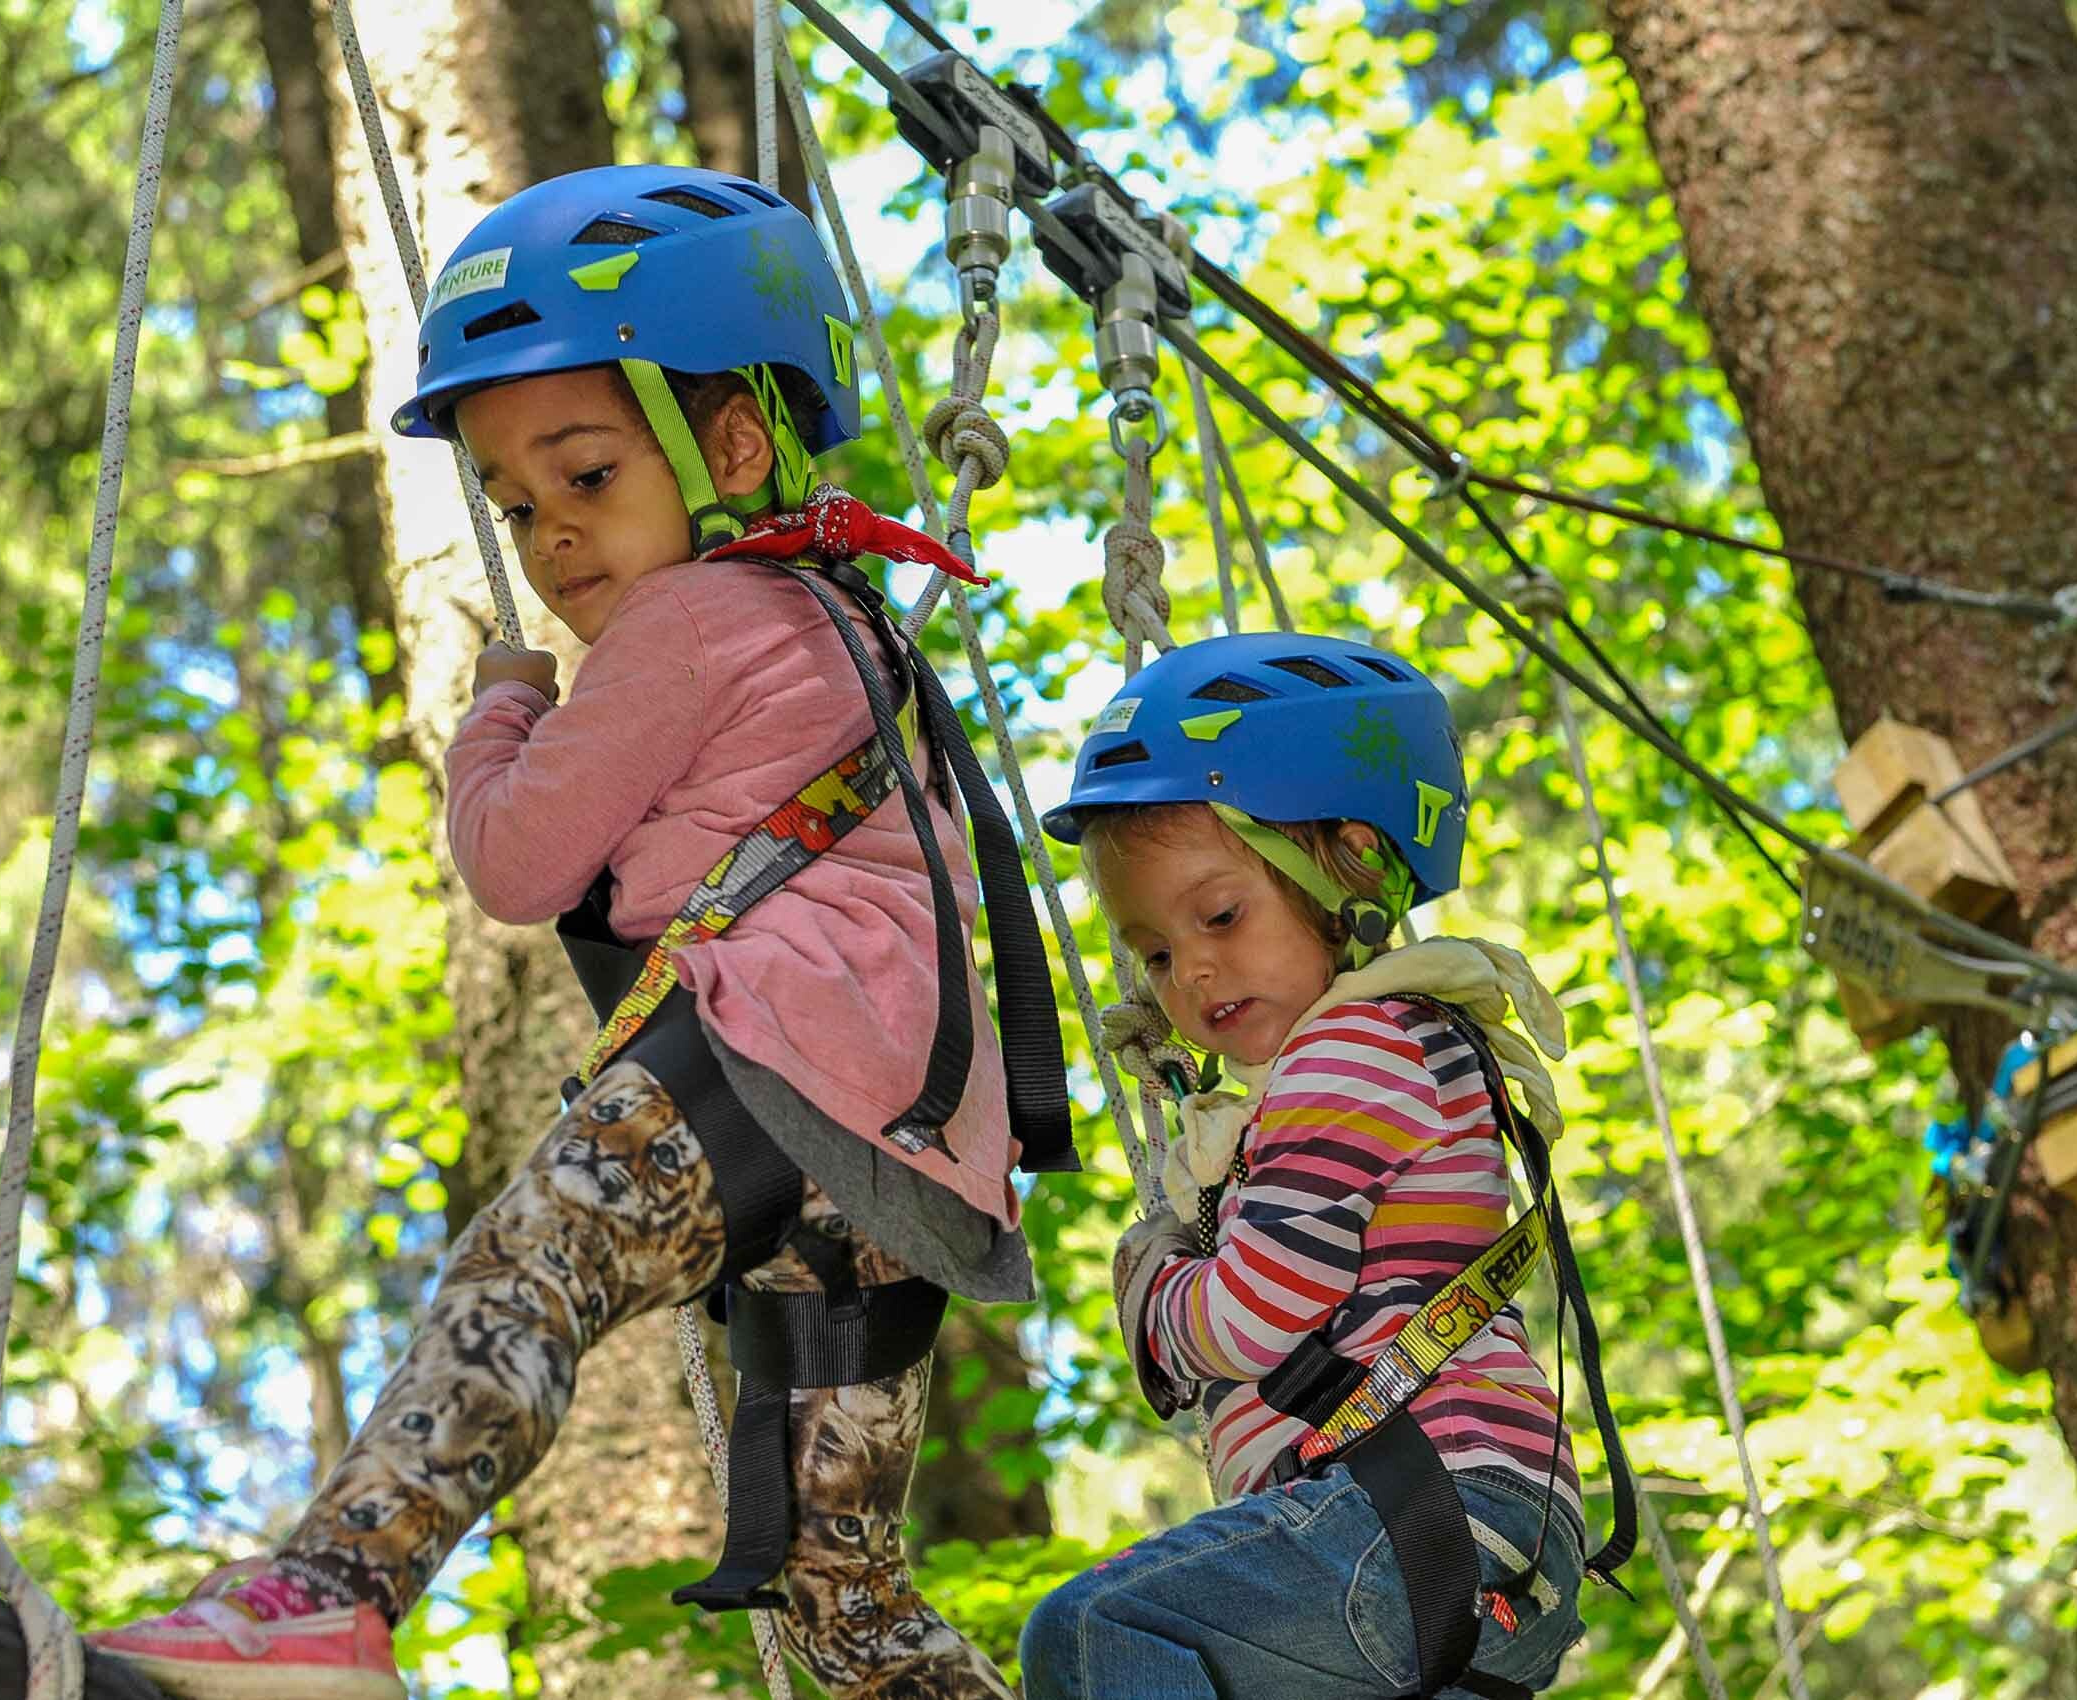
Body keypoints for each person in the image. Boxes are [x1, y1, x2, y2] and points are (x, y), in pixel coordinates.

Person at [93, 162, 1074, 1700]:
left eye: (588, 477)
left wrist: (499, 710)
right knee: (843, 1587)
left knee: (526, 1270)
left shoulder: (692, 619)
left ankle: (332, 1591)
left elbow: (516, 856)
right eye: (516, 505)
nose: (552, 540)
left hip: (778, 1059)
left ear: (730, 443)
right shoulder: (844, 615)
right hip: (914, 1156)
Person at [1021, 632, 1625, 1700]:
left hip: (1412, 1517)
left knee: (1091, 1630)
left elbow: (1252, 1318)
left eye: (1219, 914)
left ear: (1346, 862)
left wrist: (1148, 1280)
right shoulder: (1406, 1043)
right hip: (1475, 1551)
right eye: (1154, 951)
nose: (1190, 968)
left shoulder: (1346, 1049)